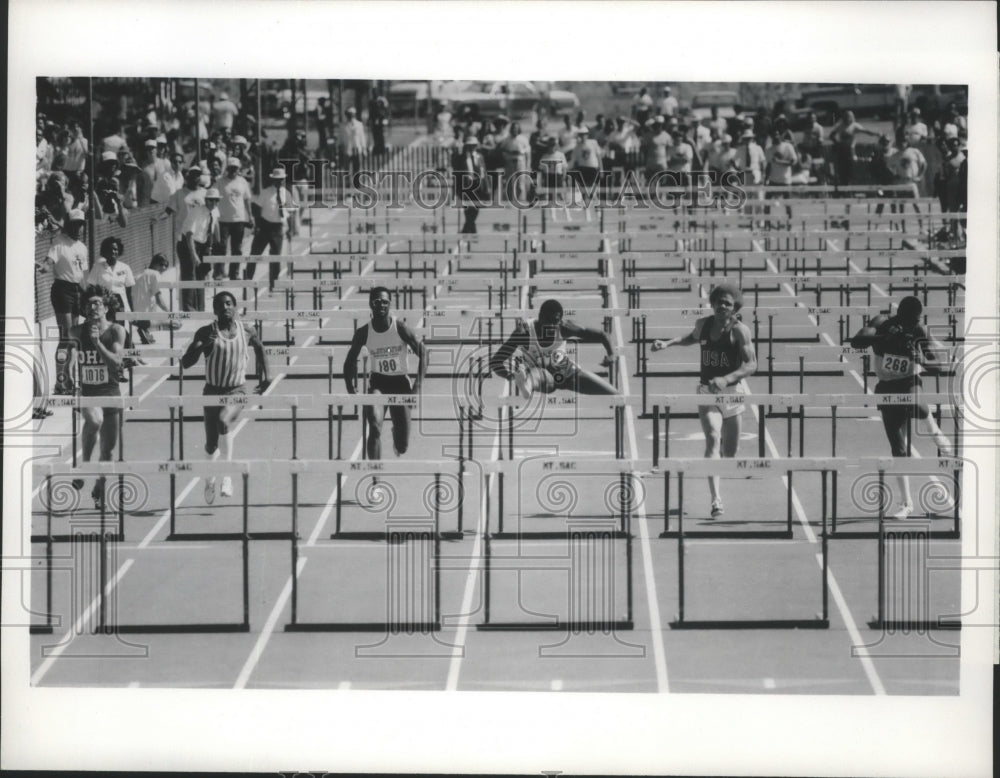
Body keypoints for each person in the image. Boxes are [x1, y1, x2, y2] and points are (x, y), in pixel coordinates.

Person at [650, 283, 758, 518]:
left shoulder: (740, 331)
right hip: (707, 391)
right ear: (713, 303)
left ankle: (725, 460)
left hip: (732, 393)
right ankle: (716, 500)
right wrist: (667, 343)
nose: (722, 306)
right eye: (718, 302)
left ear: (734, 308)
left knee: (730, 454)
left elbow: (752, 364)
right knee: (712, 439)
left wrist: (727, 378)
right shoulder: (703, 324)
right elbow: (691, 338)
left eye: (727, 303)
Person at [849, 296, 953, 519]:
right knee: (898, 448)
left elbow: (938, 367)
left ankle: (934, 430)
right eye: (910, 320)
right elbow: (856, 342)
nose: (913, 323)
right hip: (887, 385)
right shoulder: (882, 322)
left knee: (916, 405)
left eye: (916, 320)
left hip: (909, 381)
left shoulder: (919, 331)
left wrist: (917, 357)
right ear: (900, 315)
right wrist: (884, 337)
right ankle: (906, 503)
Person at [181, 291, 270, 503]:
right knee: (211, 444)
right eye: (220, 305)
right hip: (212, 392)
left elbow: (260, 348)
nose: (225, 308)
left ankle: (227, 476)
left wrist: (267, 376)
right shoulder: (205, 332)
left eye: (229, 304)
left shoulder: (246, 330)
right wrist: (203, 346)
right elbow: (186, 363)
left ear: (235, 306)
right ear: (214, 310)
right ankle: (209, 480)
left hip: (237, 390)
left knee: (224, 421)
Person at [343, 287, 425, 460]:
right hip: (378, 384)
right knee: (374, 427)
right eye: (377, 302)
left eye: (385, 302)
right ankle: (374, 472)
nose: (381, 305)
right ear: (370, 304)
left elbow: (424, 354)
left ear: (390, 304)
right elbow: (349, 361)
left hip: (400, 384)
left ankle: (397, 433)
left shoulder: (400, 328)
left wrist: (417, 387)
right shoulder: (363, 333)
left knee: (402, 447)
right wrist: (351, 388)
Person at [66, 286, 128, 510]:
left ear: (106, 307)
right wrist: (68, 370)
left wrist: (97, 343)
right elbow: (71, 353)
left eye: (98, 303)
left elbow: (117, 362)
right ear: (84, 308)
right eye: (89, 304)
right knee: (94, 421)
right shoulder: (75, 331)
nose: (93, 307)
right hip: (88, 393)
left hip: (111, 393)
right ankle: (84, 466)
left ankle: (99, 488)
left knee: (108, 450)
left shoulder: (117, 331)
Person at [490, 298, 618, 397]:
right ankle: (526, 385)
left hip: (567, 373)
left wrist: (611, 354)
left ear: (560, 320)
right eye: (547, 321)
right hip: (542, 376)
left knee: (615, 395)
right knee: (537, 374)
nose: (551, 326)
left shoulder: (565, 327)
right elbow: (496, 362)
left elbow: (602, 335)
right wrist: (510, 376)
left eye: (554, 322)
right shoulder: (524, 332)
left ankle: (527, 383)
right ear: (540, 317)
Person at [38, 210, 89, 394]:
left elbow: (83, 275)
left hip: (77, 290)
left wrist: (87, 295)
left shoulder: (82, 247)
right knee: (66, 336)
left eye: (81, 224)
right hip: (62, 289)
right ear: (69, 225)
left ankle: (69, 378)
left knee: (74, 338)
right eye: (75, 224)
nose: (78, 228)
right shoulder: (59, 242)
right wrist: (44, 266)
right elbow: (49, 261)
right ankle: (61, 381)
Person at [248, 168, 296, 286]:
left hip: (277, 228)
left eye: (281, 179)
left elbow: (291, 213)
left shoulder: (287, 194)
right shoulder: (265, 192)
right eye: (277, 179)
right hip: (264, 226)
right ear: (273, 180)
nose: (279, 181)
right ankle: (248, 279)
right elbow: (257, 209)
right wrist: (257, 226)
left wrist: (290, 229)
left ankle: (273, 283)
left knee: (276, 257)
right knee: (254, 254)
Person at [215, 157, 253, 280]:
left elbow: (247, 199)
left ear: (238, 169)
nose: (233, 170)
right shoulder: (219, 181)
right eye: (231, 168)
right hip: (223, 220)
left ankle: (234, 273)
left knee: (237, 249)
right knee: (221, 247)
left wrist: (250, 216)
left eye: (235, 168)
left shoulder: (243, 182)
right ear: (227, 168)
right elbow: (213, 198)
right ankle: (219, 272)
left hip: (239, 220)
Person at [451, 136, 491, 236]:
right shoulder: (461, 157)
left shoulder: (479, 156)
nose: (472, 147)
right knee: (468, 208)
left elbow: (484, 171)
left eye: (474, 145)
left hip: (479, 186)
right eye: (470, 145)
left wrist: (487, 186)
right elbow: (456, 170)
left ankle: (467, 229)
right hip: (466, 186)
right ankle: (472, 231)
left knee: (476, 207)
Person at [85, 236, 135, 314]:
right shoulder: (97, 267)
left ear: (119, 251)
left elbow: (129, 293)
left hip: (121, 307)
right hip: (103, 306)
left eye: (115, 249)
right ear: (105, 251)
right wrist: (93, 309)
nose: (113, 251)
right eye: (109, 249)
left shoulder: (125, 268)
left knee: (120, 322)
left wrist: (132, 312)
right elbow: (91, 291)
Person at [132, 253, 172, 345]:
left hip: (135, 316)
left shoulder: (140, 274)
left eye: (166, 266)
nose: (164, 268)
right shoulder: (155, 274)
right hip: (145, 317)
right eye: (161, 264)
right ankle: (145, 327)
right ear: (154, 264)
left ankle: (145, 330)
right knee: (176, 324)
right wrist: (170, 313)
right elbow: (159, 300)